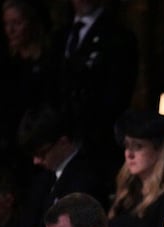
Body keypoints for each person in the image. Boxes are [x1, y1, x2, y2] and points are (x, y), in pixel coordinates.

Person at [56, 0, 138, 179]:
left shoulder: (118, 36)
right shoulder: (61, 36)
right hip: (61, 140)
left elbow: (117, 94)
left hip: (98, 143)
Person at [0, 0, 57, 152]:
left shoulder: (49, 63)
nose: (10, 30)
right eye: (6, 24)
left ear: (32, 23)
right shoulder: (3, 66)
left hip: (39, 145)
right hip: (7, 148)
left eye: (17, 23)